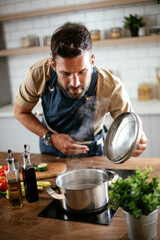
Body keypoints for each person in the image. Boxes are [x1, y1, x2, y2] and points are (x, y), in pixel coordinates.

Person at [14, 23, 147, 158]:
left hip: (93, 152)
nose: (75, 83)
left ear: (92, 61)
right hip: (51, 151)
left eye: (82, 72)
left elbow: (130, 127)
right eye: (66, 74)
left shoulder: (111, 86)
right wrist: (51, 137)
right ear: (53, 65)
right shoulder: (39, 73)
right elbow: (20, 112)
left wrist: (137, 141)